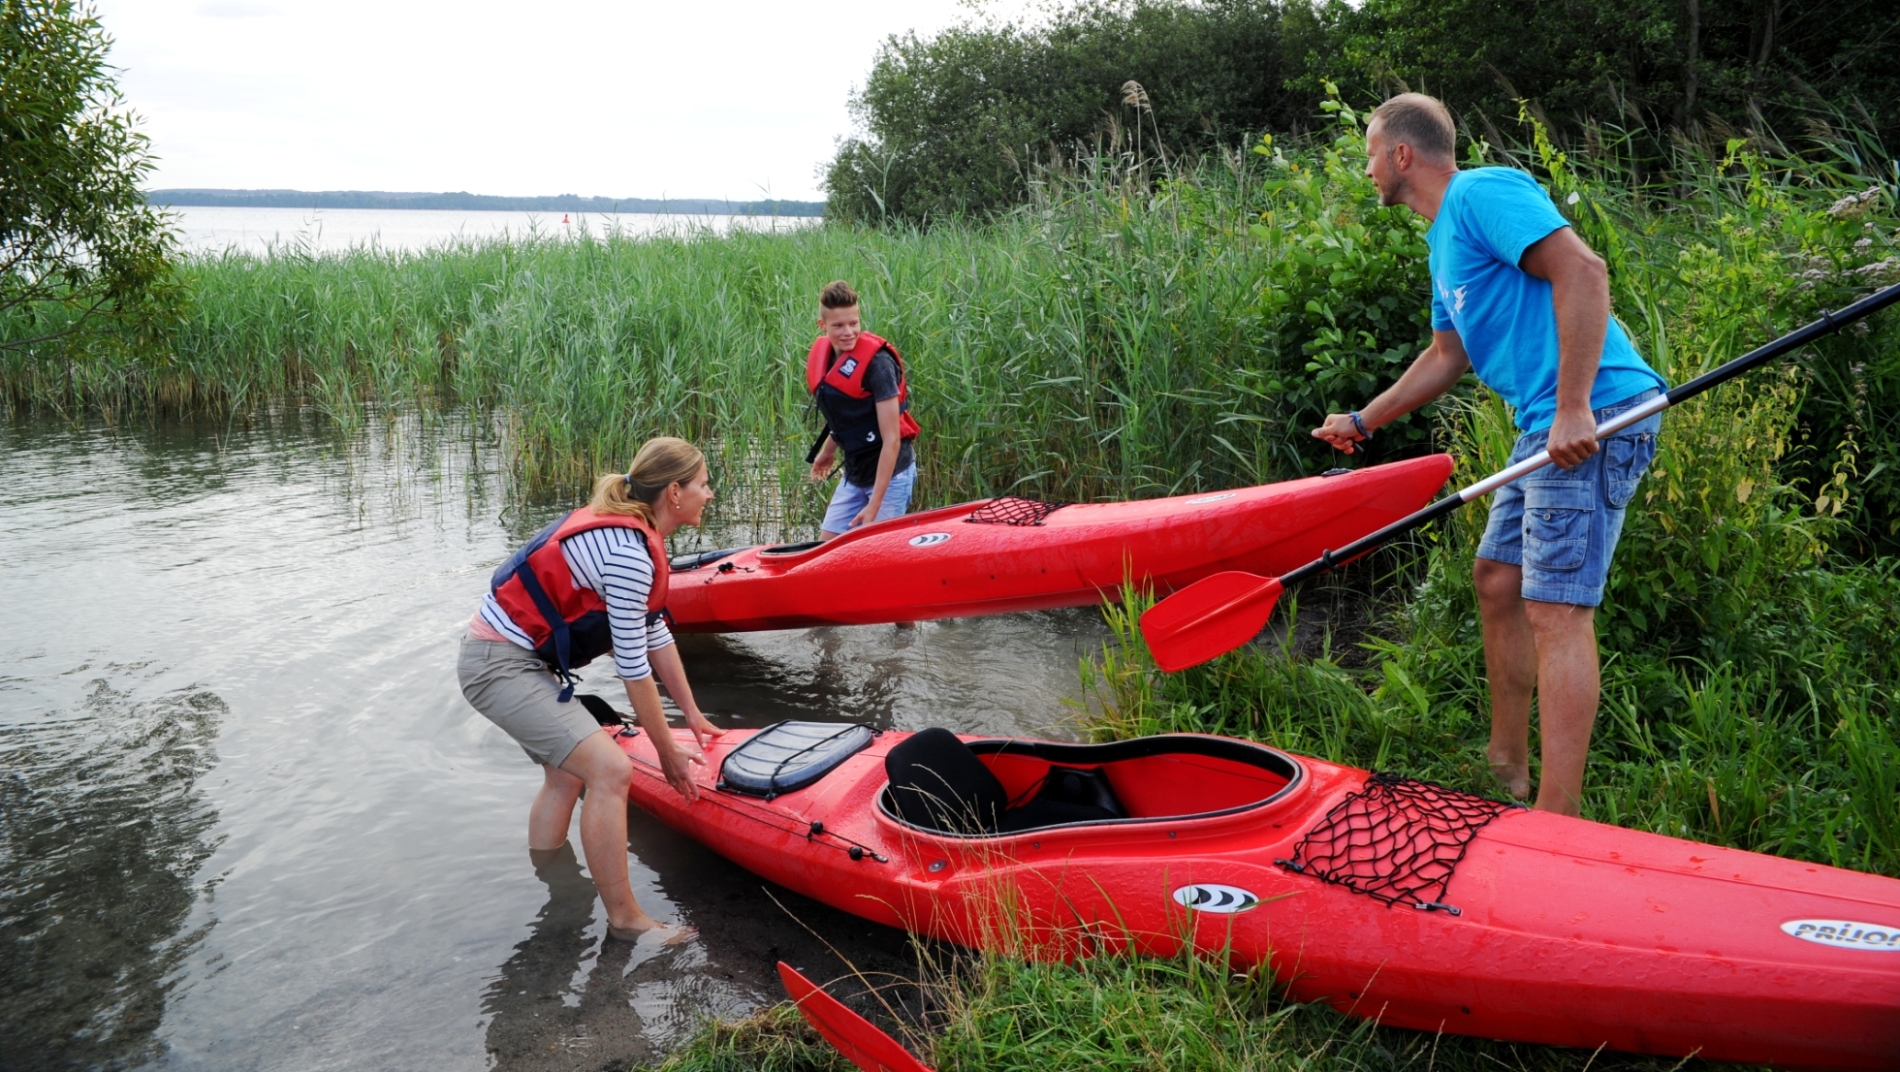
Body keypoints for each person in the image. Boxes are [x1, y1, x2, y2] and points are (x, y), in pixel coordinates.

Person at [1312, 93, 1667, 817]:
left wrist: (1573, 409)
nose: (1368, 170)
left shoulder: (1481, 191)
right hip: (1543, 423)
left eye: (1370, 154)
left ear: (1402, 155)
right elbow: (1449, 355)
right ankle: (1505, 762)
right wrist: (1363, 419)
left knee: (1556, 610)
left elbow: (1584, 271)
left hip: (1594, 412)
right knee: (1497, 580)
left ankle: (1556, 818)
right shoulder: (1442, 240)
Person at [458, 436, 724, 941]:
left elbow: (654, 634)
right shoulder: (628, 553)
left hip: (510, 659)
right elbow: (631, 666)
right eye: (703, 485)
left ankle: (554, 886)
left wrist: (691, 713)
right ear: (673, 492)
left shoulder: (637, 538)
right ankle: (626, 921)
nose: (708, 495)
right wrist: (666, 752)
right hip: (498, 666)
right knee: (611, 770)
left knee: (566, 775)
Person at [805, 280, 921, 538]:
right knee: (824, 550)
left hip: (891, 476)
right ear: (822, 326)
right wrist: (827, 452)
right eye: (838, 325)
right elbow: (849, 417)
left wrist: (874, 506)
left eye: (854, 323)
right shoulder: (828, 360)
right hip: (855, 472)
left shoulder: (877, 364)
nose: (848, 332)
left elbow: (891, 440)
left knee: (875, 553)